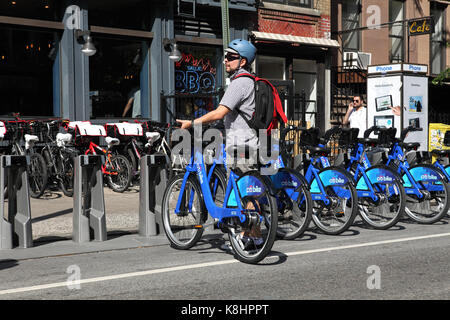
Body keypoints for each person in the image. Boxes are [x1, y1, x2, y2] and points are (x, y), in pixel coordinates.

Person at [176, 38, 261, 248]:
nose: (225, 61)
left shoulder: (239, 82)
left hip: (241, 145)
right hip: (250, 142)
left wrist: (192, 122)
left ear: (242, 61)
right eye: (225, 56)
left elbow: (220, 112)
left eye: (231, 57)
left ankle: (252, 236)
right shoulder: (251, 81)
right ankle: (250, 235)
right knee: (247, 191)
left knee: (246, 192)